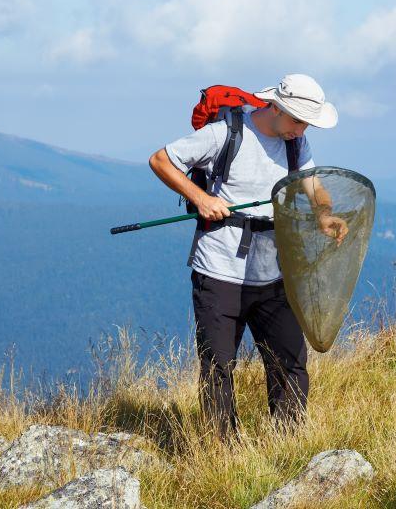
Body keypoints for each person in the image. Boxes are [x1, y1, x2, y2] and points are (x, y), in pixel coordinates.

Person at [148, 74, 347, 441]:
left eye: (306, 123)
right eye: (298, 120)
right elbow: (161, 160)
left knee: (289, 360)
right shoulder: (226, 133)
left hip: (272, 270)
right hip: (219, 271)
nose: (301, 129)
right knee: (218, 366)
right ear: (277, 107)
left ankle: (286, 445)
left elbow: (314, 185)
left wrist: (323, 213)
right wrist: (201, 199)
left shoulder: (296, 143)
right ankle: (223, 453)